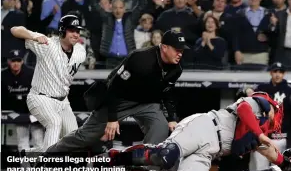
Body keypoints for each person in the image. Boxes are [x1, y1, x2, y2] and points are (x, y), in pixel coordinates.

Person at [108, 92, 285, 171]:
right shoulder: (259, 103)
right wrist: (261, 134)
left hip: (210, 151)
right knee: (165, 156)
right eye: (275, 113)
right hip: (205, 127)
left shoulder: (258, 134)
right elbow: (243, 110)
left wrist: (287, 165)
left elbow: (271, 153)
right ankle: (113, 158)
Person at [42, 30, 188, 155]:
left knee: (160, 128)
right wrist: (113, 119)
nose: (180, 54)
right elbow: (114, 87)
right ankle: (47, 155)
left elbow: (167, 93)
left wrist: (171, 118)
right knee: (85, 136)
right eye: (177, 50)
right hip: (119, 99)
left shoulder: (176, 68)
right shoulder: (140, 59)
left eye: (182, 50)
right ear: (164, 47)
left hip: (147, 103)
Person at [10, 13, 87, 152]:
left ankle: (32, 154)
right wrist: (33, 36)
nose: (76, 34)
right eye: (72, 30)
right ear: (62, 30)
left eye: (78, 31)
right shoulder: (47, 44)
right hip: (40, 97)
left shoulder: (81, 51)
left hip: (63, 102)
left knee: (74, 139)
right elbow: (15, 30)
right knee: (54, 122)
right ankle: (47, 169)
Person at [250, 62, 291, 171]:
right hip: (262, 137)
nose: (277, 74)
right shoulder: (261, 89)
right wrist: (248, 90)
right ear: (271, 73)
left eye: (280, 72)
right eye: (275, 71)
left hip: (280, 138)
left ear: (284, 74)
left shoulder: (289, 91)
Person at [1, 49, 44, 152]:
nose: (16, 64)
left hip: (34, 110)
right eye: (13, 61)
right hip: (18, 111)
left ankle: (40, 167)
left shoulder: (31, 73)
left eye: (18, 61)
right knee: (22, 141)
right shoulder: (3, 75)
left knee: (39, 141)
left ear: (22, 61)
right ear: (8, 61)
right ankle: (25, 168)